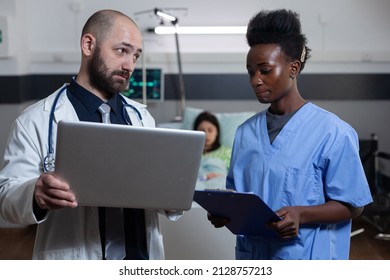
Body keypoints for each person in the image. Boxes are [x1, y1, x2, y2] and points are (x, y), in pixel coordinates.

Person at [0, 9, 180, 260]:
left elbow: (154, 188)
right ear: (88, 45)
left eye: (136, 56)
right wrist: (35, 193)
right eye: (121, 51)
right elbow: (7, 198)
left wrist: (171, 196)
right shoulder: (35, 121)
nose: (129, 65)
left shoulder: (141, 119)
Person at [207, 9, 373, 260]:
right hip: (253, 258)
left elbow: (353, 205)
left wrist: (301, 214)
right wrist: (223, 210)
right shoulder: (245, 133)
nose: (255, 80)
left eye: (264, 70)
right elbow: (239, 196)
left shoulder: (332, 132)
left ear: (293, 68)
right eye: (251, 71)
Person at [193, 111, 231, 190]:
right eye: (202, 130)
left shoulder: (228, 153)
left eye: (210, 130)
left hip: (218, 186)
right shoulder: (190, 153)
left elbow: (234, 178)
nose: (206, 134)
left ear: (217, 132)